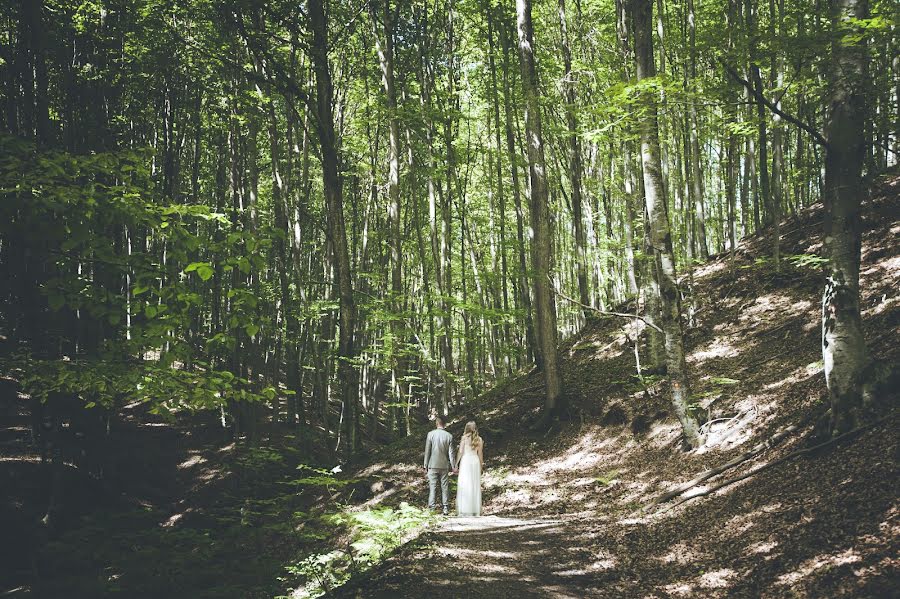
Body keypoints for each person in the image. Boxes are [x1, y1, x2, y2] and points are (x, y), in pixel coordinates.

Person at [423, 415, 456, 515]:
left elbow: (427, 451)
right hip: (444, 465)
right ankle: (445, 508)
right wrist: (454, 466)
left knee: (432, 487)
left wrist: (425, 465)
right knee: (444, 487)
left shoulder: (430, 434)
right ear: (444, 424)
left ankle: (432, 508)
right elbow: (451, 453)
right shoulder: (449, 436)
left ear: (436, 423)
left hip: (432, 464)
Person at [454, 420, 483, 517]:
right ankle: (475, 509)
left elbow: (460, 452)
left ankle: (465, 509)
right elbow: (480, 454)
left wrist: (456, 464)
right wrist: (481, 465)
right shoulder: (479, 439)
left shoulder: (464, 438)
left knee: (465, 483)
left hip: (466, 461)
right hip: (475, 462)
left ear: (466, 428)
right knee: (474, 484)